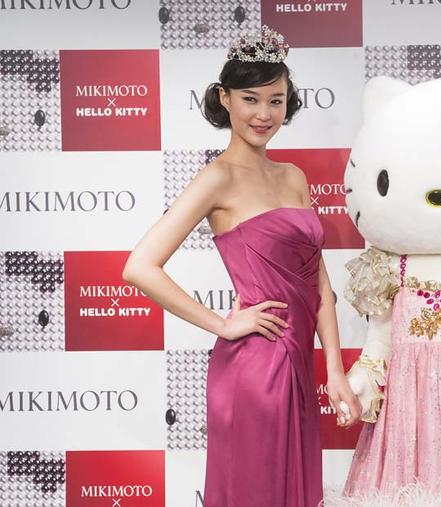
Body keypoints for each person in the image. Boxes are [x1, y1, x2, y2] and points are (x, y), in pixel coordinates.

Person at [122, 26, 361, 507]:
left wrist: (333, 369)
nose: (264, 114)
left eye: (276, 100)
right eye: (250, 99)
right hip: (254, 366)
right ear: (224, 99)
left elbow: (318, 281)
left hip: (296, 360)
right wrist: (224, 325)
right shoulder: (217, 178)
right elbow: (140, 267)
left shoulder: (293, 176)